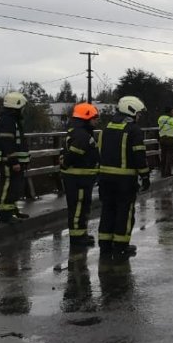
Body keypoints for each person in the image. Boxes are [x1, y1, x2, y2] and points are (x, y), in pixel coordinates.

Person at [97, 96, 151, 260]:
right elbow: (139, 155)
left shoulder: (106, 129)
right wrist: (145, 175)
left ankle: (105, 245)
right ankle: (121, 247)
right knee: (124, 213)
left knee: (107, 210)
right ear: (131, 110)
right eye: (138, 113)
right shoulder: (133, 130)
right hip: (124, 180)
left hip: (105, 179)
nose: (139, 117)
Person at [59, 103, 100, 247]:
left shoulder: (76, 131)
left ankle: (81, 233)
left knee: (82, 207)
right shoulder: (82, 135)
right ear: (86, 118)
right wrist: (65, 164)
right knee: (78, 208)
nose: (96, 121)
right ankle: (77, 238)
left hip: (80, 177)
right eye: (94, 118)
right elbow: (74, 154)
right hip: (79, 179)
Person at [0, 91, 32, 223]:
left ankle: (12, 210)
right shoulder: (8, 120)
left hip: (13, 161)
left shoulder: (11, 119)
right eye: (22, 107)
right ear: (17, 106)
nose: (23, 110)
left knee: (15, 188)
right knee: (8, 186)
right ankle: (5, 215)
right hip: (9, 161)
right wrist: (14, 162)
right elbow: (7, 143)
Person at [157, 106, 173, 177]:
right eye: (172, 111)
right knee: (169, 157)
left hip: (162, 139)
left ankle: (162, 173)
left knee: (163, 156)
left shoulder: (160, 118)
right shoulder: (171, 119)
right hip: (170, 140)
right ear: (170, 112)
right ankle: (167, 173)